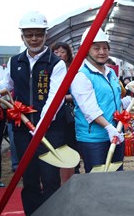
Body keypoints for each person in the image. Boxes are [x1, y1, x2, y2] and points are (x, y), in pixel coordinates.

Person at [0, 11, 67, 215]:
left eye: (38, 34)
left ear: (45, 35)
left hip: (50, 130)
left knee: (50, 177)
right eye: (29, 34)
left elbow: (56, 97)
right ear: (22, 36)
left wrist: (43, 123)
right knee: (30, 177)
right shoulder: (15, 62)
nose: (34, 38)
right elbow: (6, 85)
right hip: (23, 129)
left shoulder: (56, 63)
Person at [71, 27, 131, 173]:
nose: (102, 52)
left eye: (105, 48)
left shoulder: (110, 72)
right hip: (94, 139)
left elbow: (109, 98)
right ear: (86, 50)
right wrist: (108, 127)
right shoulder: (81, 75)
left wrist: (122, 103)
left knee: (116, 176)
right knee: (97, 180)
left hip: (116, 134)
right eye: (96, 48)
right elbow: (89, 109)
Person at [51, 42, 79, 181]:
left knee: (72, 145)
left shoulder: (74, 70)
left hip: (70, 115)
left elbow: (79, 94)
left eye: (62, 52)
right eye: (56, 52)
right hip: (54, 115)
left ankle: (75, 174)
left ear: (68, 54)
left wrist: (63, 98)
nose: (59, 55)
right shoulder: (50, 69)